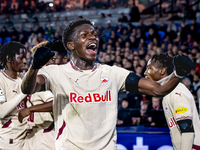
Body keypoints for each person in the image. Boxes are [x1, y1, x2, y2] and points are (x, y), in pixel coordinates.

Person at [21, 19, 194, 150]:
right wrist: (33, 68)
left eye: (94, 34)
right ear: (71, 45)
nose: (93, 37)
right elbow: (27, 88)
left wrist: (177, 74)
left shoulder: (112, 73)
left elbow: (157, 89)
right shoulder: (56, 73)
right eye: (85, 35)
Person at [18, 40, 68, 150]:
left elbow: (57, 102)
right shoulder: (43, 77)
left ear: (65, 59)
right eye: (47, 60)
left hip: (49, 135)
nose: (49, 63)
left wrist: (31, 109)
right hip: (34, 134)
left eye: (53, 59)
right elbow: (29, 87)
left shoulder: (64, 79)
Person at [144, 53, 200, 150]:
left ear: (162, 71)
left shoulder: (176, 92)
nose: (145, 73)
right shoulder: (168, 92)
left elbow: (187, 132)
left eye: (149, 68)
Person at [0, 41, 27, 150]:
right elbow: (1, 112)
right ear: (9, 59)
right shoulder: (1, 79)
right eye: (21, 58)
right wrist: (24, 93)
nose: (25, 61)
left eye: (25, 57)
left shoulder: (22, 78)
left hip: (26, 136)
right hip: (10, 139)